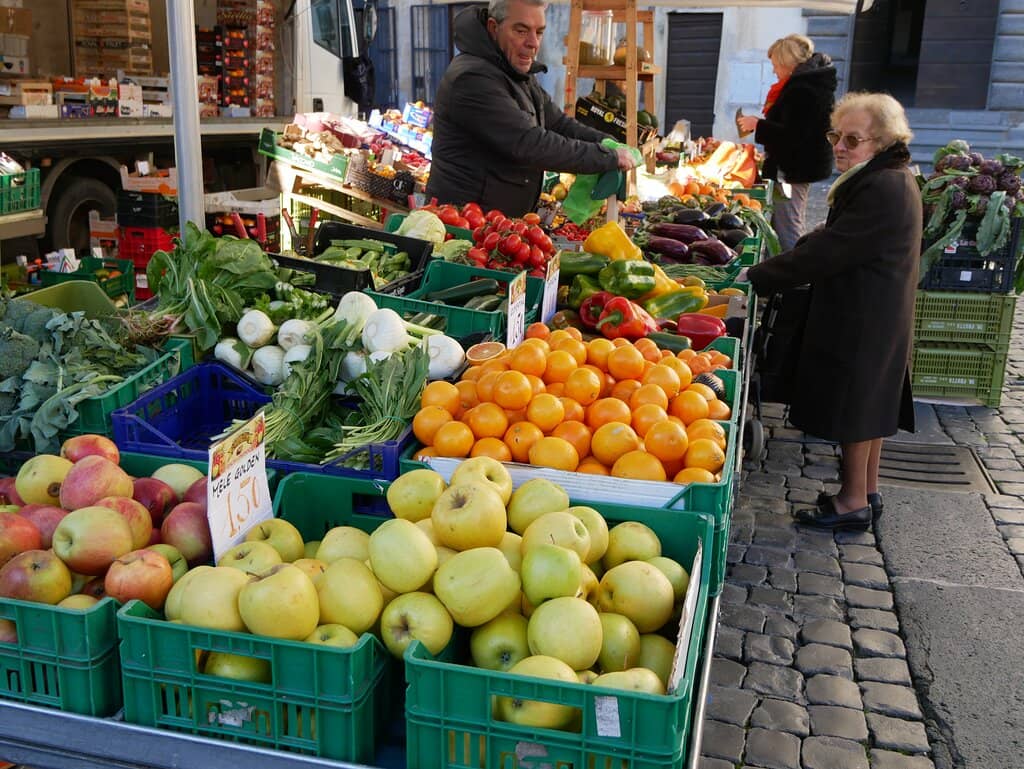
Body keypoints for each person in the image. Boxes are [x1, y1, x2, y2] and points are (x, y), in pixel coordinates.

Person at [743, 92, 921, 531]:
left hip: (865, 316)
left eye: (853, 139)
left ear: (881, 143)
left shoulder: (882, 186)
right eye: (836, 135)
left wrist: (758, 276)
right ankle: (867, 492)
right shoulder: (888, 178)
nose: (839, 146)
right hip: (876, 310)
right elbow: (836, 237)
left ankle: (852, 502)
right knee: (870, 409)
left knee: (858, 411)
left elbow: (833, 250)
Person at [426, 0, 637, 218]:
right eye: (521, 30)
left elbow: (558, 122)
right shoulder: (472, 78)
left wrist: (606, 142)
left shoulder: (514, 71)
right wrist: (605, 157)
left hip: (497, 225)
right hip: (463, 224)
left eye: (539, 32)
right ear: (493, 27)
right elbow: (529, 143)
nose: (533, 43)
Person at [737, 34, 837, 251]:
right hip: (795, 165)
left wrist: (758, 125)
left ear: (786, 63)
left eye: (775, 65)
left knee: (788, 224)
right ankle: (783, 269)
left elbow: (796, 135)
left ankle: (795, 277)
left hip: (793, 169)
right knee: (785, 220)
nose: (773, 70)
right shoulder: (808, 84)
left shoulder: (803, 89)